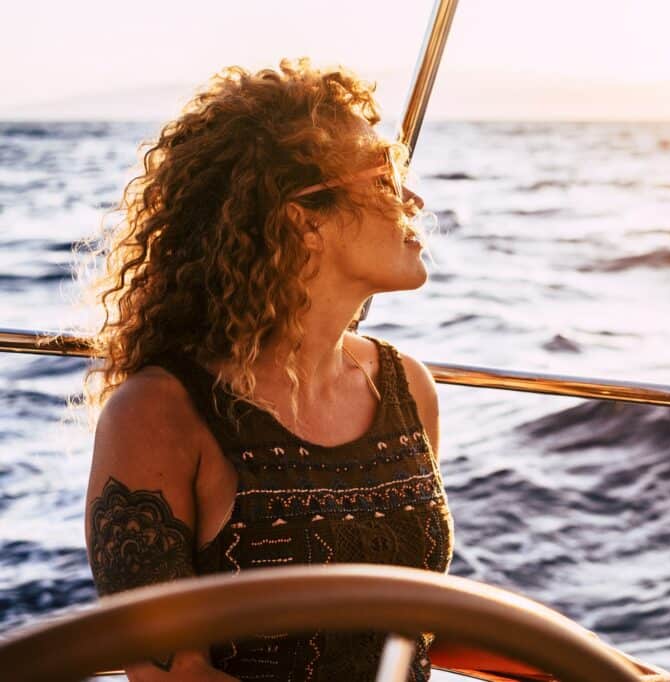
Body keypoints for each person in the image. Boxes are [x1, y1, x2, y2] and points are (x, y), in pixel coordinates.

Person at [83, 58, 453, 681]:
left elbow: (416, 634)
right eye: (385, 179)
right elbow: (169, 674)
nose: (414, 200)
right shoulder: (158, 414)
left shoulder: (407, 387)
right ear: (306, 220)